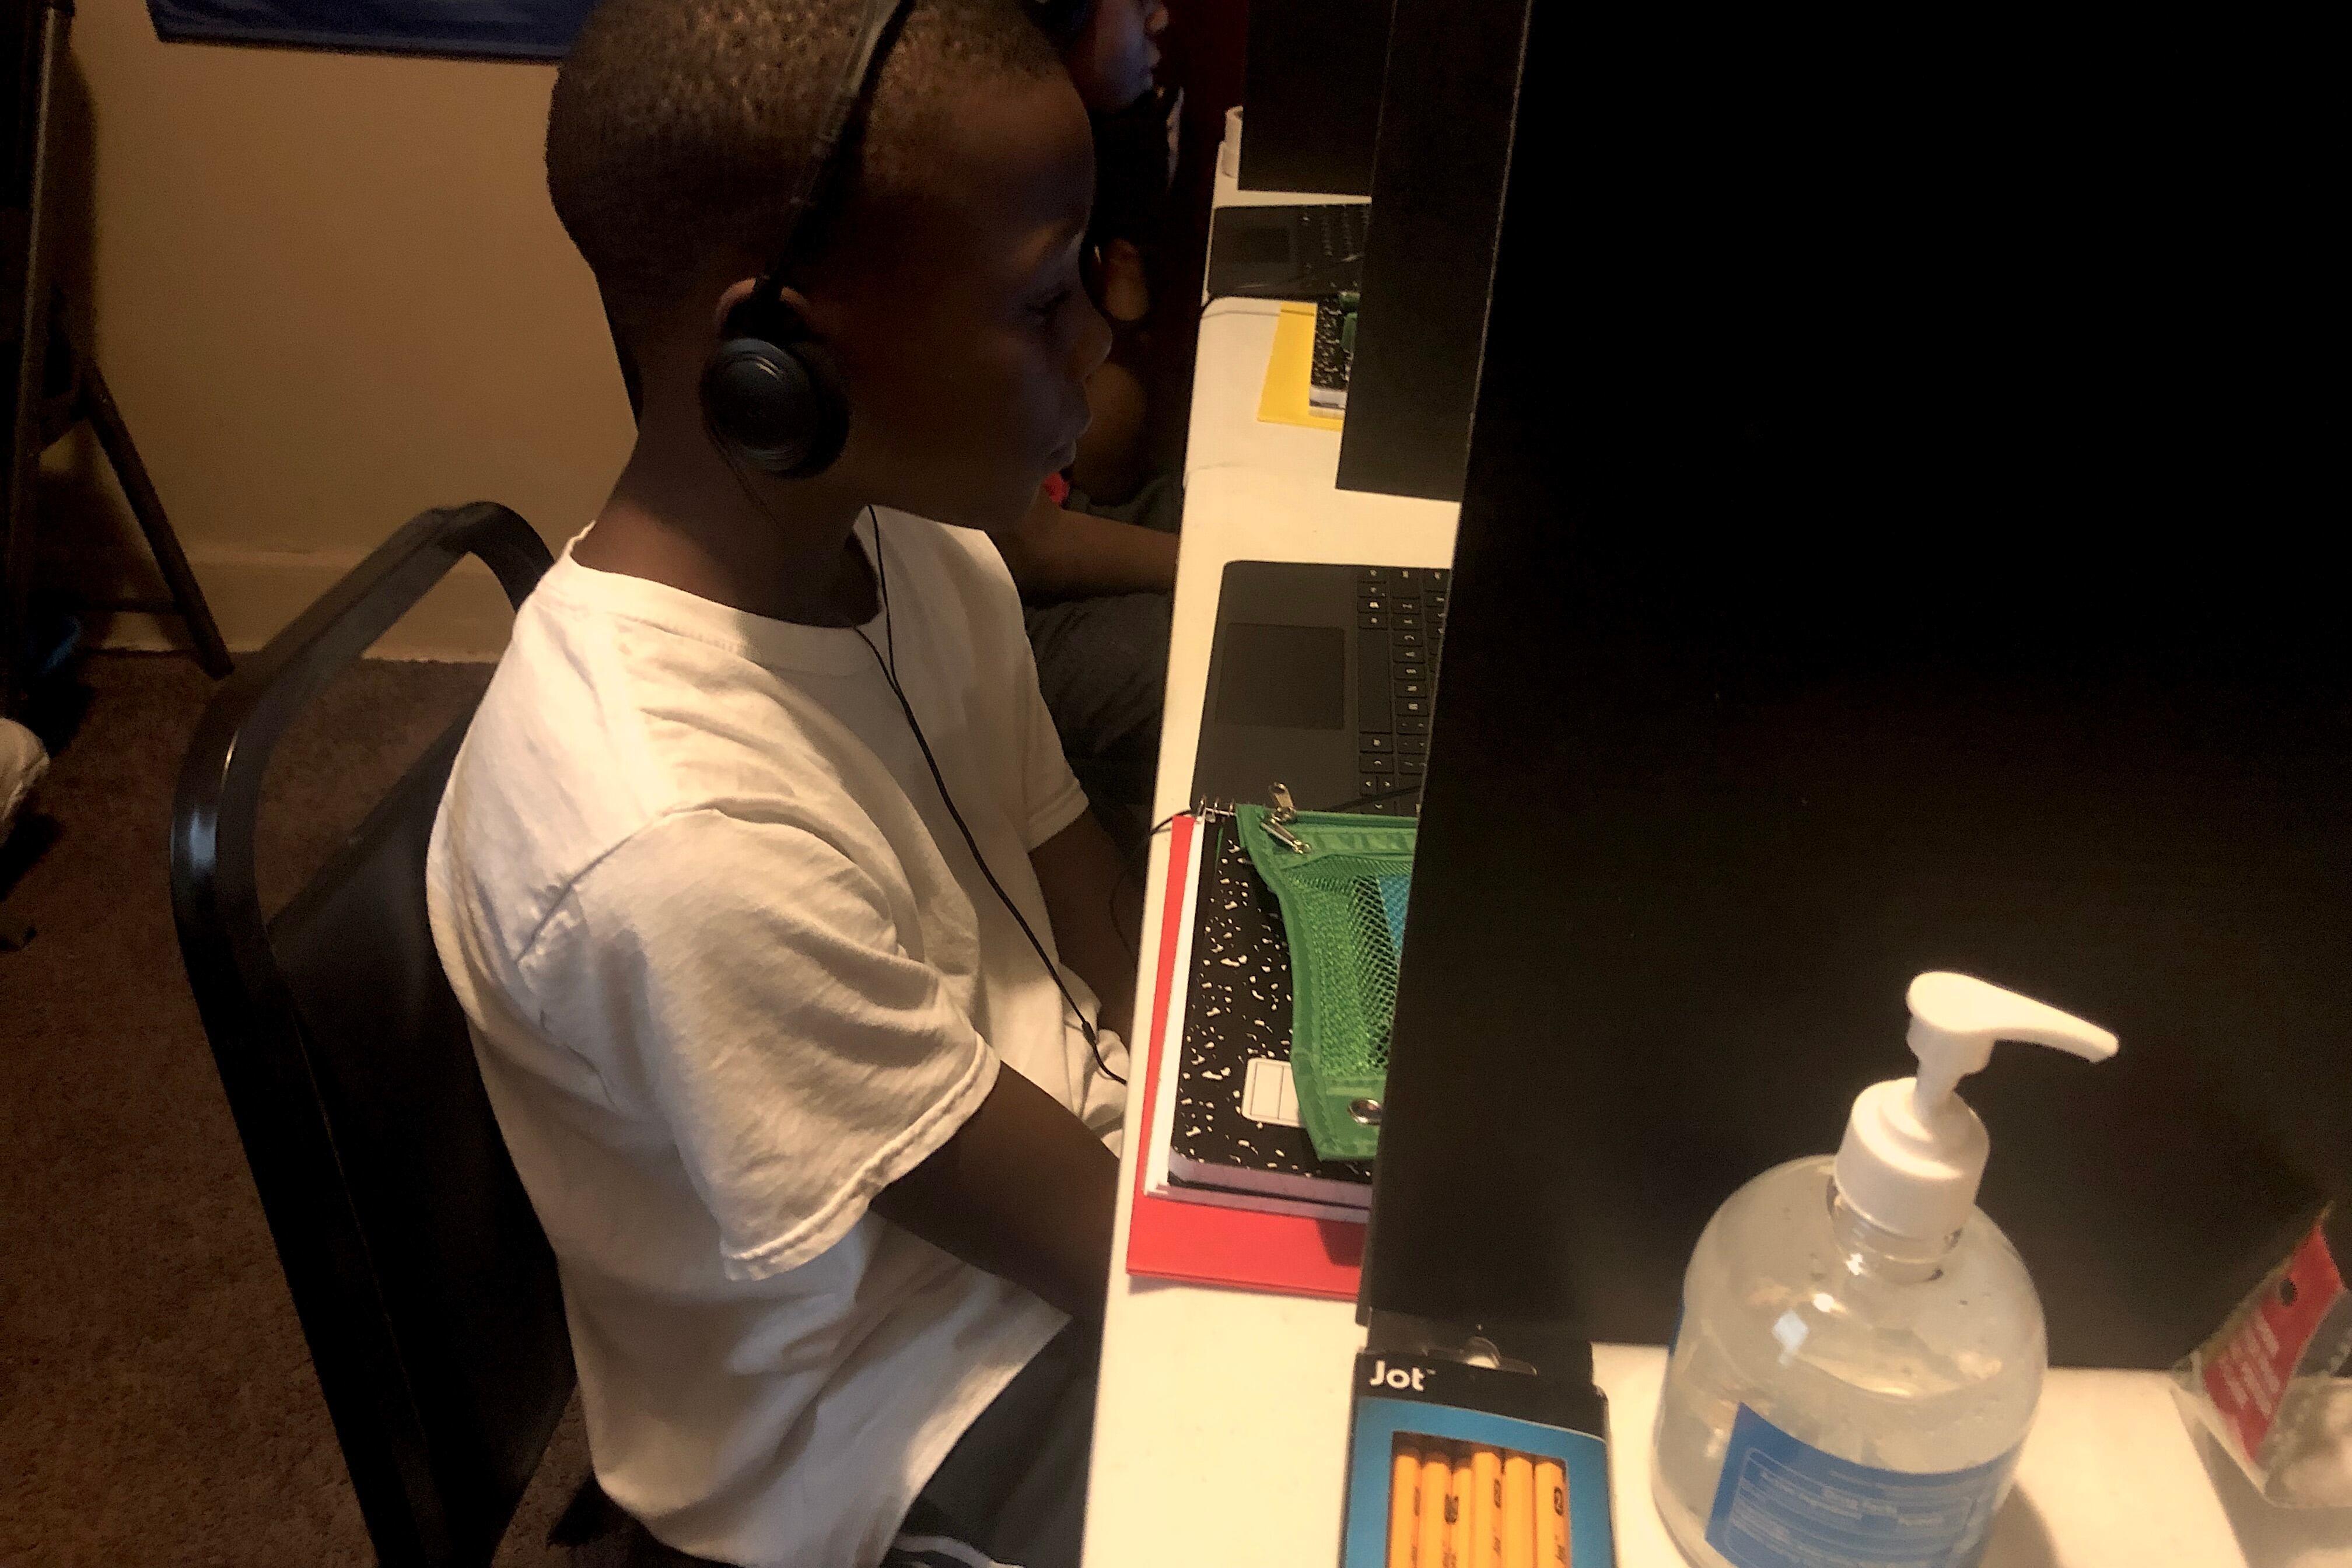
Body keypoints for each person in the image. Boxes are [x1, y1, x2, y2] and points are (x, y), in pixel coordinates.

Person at [424, 1, 1137, 1564]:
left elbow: (1082, 894)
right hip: (901, 1422)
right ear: (776, 361)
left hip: (1050, 1212)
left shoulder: (917, 549)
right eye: (1037, 301)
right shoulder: (676, 848)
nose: (1096, 336)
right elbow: (1110, 1262)